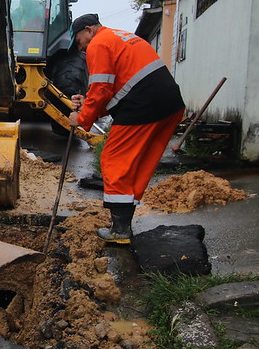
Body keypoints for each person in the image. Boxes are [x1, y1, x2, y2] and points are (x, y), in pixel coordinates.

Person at [68, 13, 185, 244]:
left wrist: (80, 119)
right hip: (169, 104)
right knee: (138, 164)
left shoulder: (98, 44)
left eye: (80, 41)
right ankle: (123, 224)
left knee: (114, 159)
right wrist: (87, 105)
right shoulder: (121, 38)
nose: (80, 48)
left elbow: (101, 89)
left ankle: (120, 230)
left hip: (143, 104)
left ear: (89, 30)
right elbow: (112, 92)